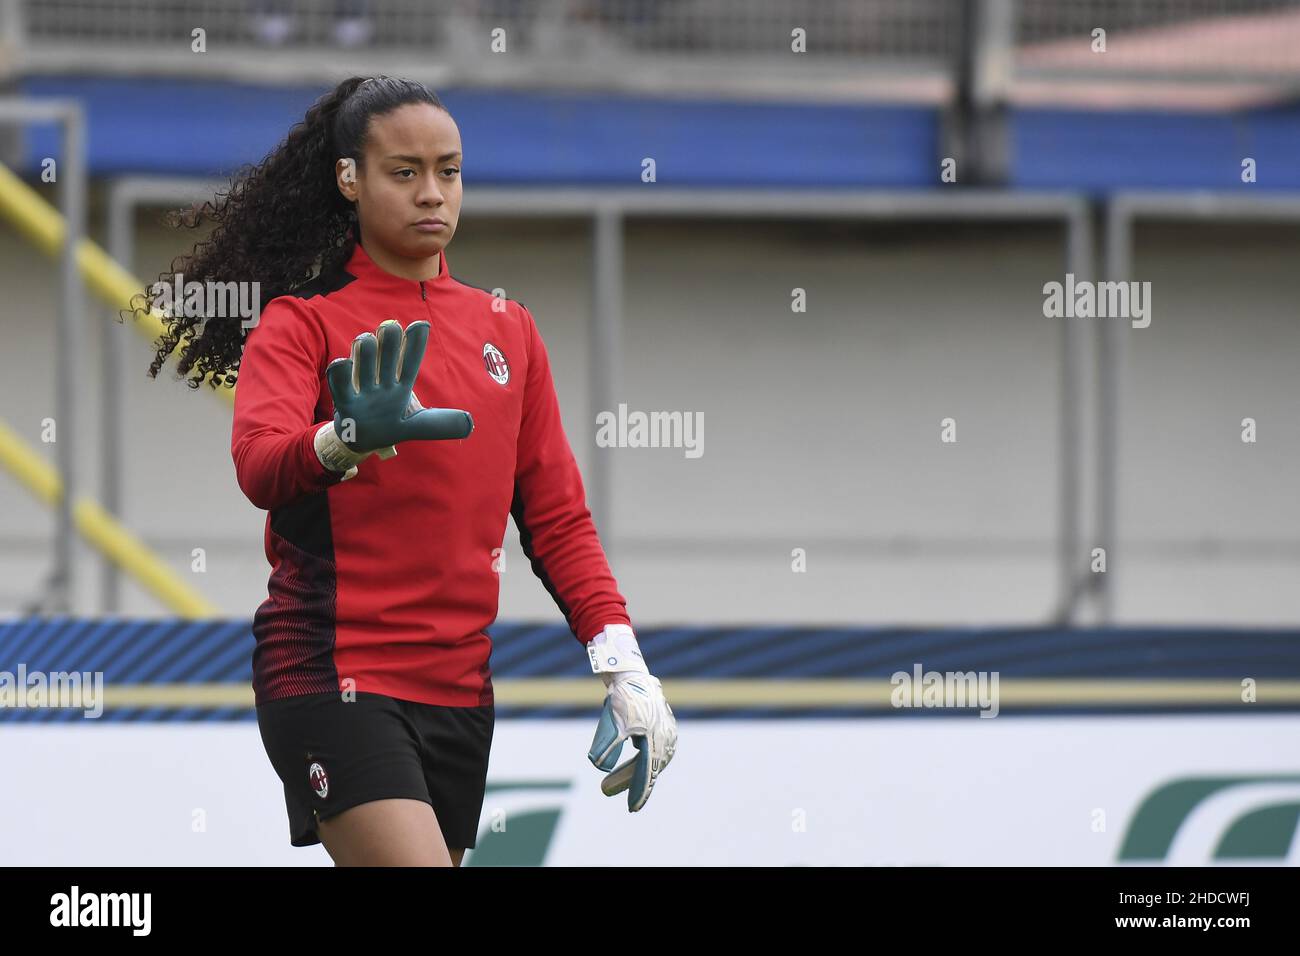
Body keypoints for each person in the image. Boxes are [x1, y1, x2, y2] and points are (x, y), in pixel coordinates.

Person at [135, 75, 677, 866]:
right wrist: (341, 442)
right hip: (331, 672)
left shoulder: (511, 331)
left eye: (449, 171)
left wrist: (625, 666)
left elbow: (557, 521)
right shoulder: (302, 319)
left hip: (460, 694)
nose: (433, 193)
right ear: (348, 179)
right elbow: (258, 465)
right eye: (404, 172)